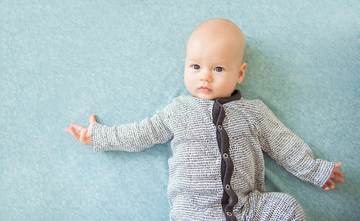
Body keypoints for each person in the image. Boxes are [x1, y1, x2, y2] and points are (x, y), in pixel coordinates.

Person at [65, 18, 344, 220]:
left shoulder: (253, 112)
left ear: (240, 73)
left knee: (287, 209)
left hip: (246, 207)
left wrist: (314, 169)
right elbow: (142, 133)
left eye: (219, 68)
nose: (205, 76)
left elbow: (283, 144)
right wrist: (99, 135)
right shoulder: (178, 110)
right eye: (196, 66)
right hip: (193, 211)